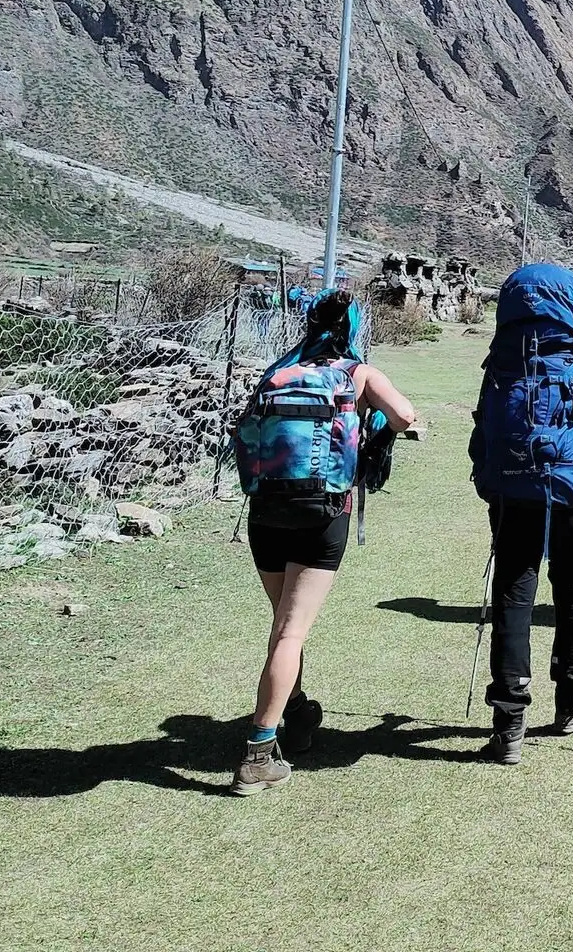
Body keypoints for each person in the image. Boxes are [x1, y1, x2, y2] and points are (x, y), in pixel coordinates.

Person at [229, 290, 420, 795]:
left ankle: (297, 711)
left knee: (282, 625)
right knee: (291, 633)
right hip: (323, 511)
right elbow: (403, 415)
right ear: (353, 327)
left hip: (266, 511)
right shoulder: (357, 373)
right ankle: (257, 755)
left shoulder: (279, 372)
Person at [468, 263, 573, 763]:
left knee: (514, 592)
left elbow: (485, 431)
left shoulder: (499, 364)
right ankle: (572, 699)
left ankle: (508, 720)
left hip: (512, 492)